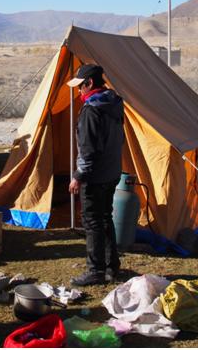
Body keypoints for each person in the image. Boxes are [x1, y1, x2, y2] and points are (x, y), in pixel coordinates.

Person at [67, 64, 124, 286]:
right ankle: (111, 267)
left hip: (94, 175)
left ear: (90, 84)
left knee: (92, 223)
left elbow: (88, 149)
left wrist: (78, 175)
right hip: (111, 171)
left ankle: (95, 271)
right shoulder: (115, 103)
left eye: (80, 86)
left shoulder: (92, 110)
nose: (78, 91)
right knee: (105, 218)